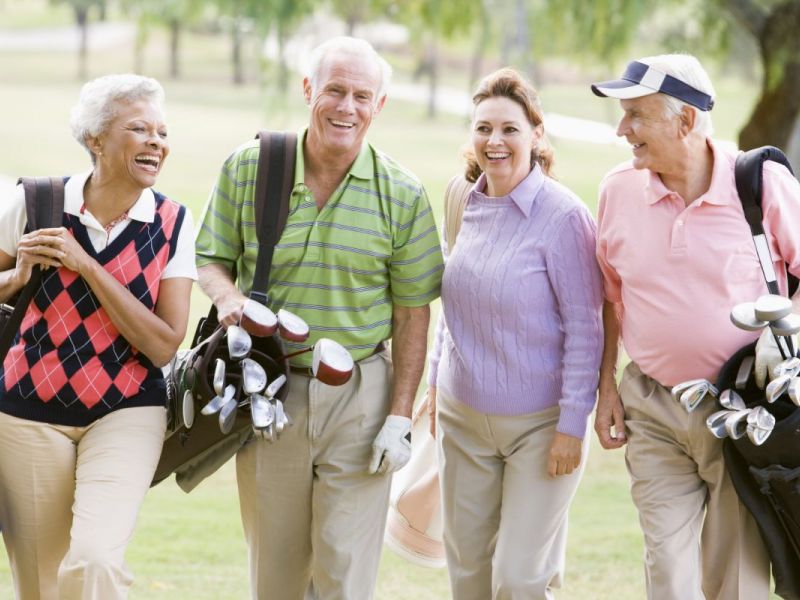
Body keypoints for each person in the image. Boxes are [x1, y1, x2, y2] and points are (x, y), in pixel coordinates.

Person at [194, 36, 443, 599]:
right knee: (277, 575)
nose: (346, 108)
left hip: (362, 395)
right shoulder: (251, 166)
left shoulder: (401, 195)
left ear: (379, 106)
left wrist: (400, 417)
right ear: (308, 91)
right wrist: (227, 298)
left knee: (345, 572)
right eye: (334, 90)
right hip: (269, 390)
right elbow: (211, 258)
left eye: (362, 95)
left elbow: (412, 316)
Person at [591, 53, 800, 599]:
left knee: (735, 576)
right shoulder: (617, 190)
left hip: (742, 409)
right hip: (653, 403)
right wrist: (607, 386)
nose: (622, 130)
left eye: (636, 115)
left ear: (685, 121)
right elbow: (613, 297)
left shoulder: (759, 182)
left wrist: (784, 351)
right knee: (666, 567)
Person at [0, 74, 196, 599]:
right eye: (139, 129)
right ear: (96, 140)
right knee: (41, 584)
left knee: (95, 561)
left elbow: (163, 344)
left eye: (162, 132)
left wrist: (88, 266)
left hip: (127, 410)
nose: (157, 141)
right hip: (26, 413)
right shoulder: (35, 202)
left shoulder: (174, 223)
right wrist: (14, 280)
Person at [425, 68, 603, 600]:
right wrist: (435, 382)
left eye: (509, 129)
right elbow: (455, 301)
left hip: (541, 428)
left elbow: (586, 330)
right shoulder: (462, 199)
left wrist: (572, 425)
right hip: (462, 419)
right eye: (483, 128)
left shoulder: (564, 216)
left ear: (536, 135)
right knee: (468, 573)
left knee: (520, 579)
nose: (494, 142)